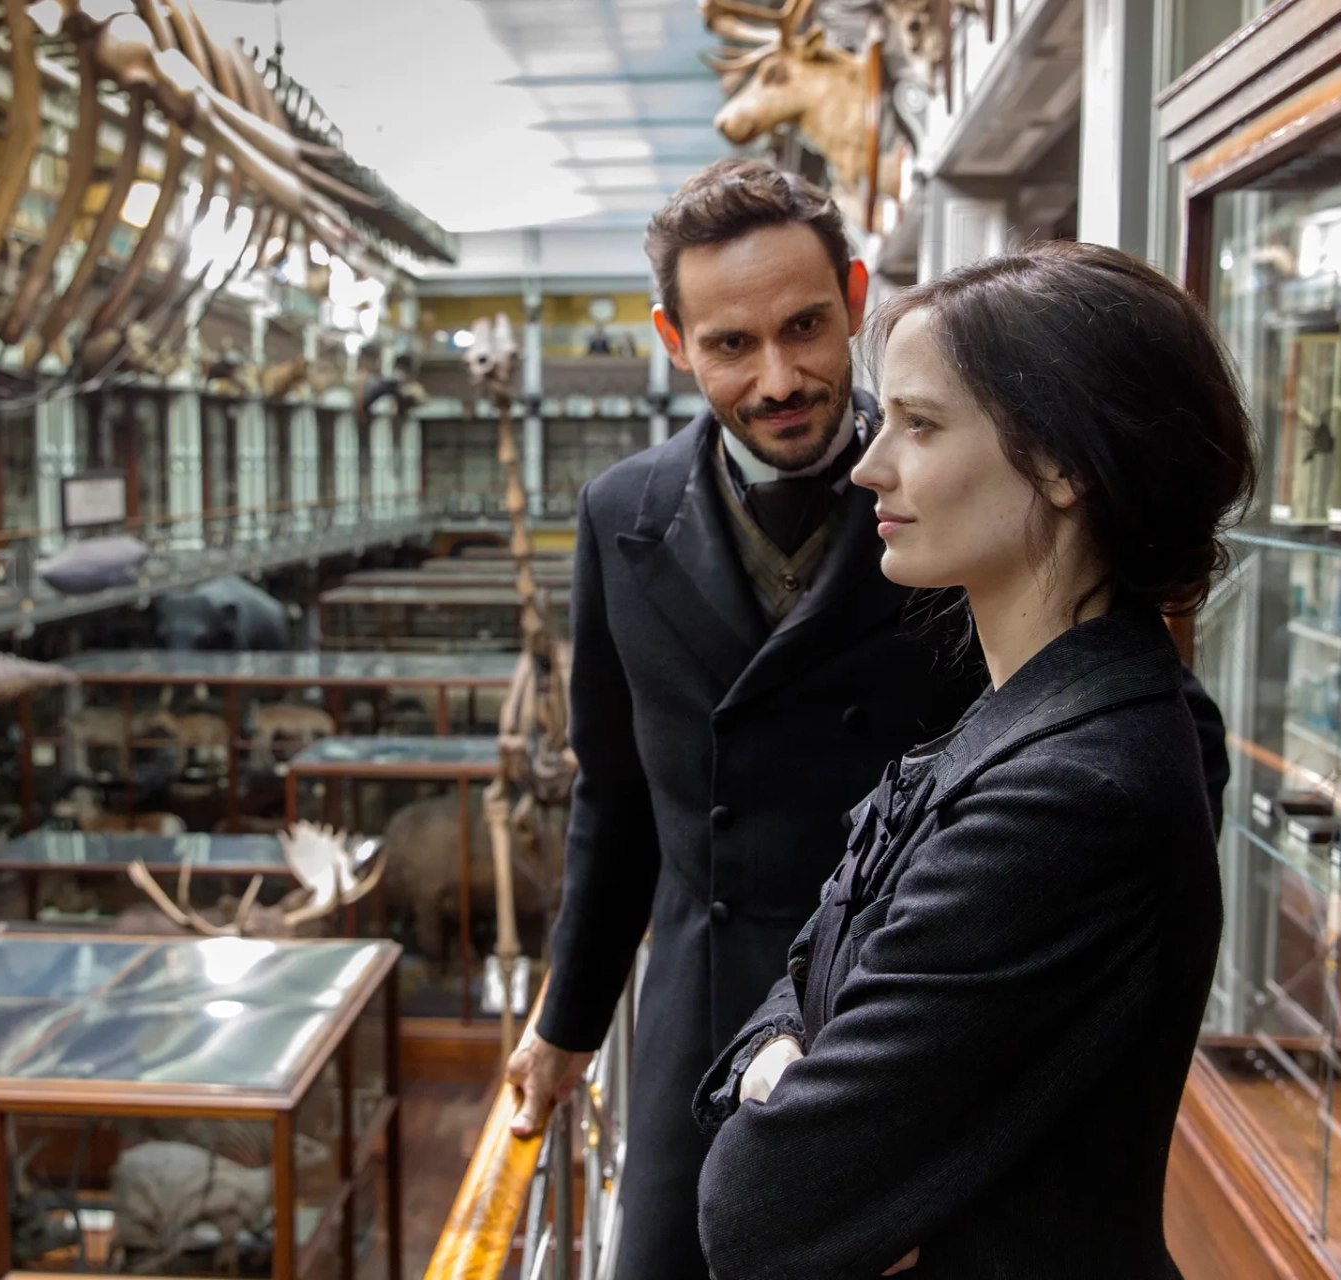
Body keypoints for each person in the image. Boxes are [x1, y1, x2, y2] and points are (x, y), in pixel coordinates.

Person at [506, 160, 1226, 1279]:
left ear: (850, 297)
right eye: (732, 343)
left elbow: (1015, 814)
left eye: (806, 327)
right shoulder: (620, 515)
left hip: (931, 1008)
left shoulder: (987, 546)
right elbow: (616, 794)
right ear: (674, 338)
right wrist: (568, 1018)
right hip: (717, 1004)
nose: (783, 376)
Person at [693, 242, 1258, 1279]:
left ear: (1062, 460)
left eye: (920, 424)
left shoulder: (1071, 791)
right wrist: (792, 1065)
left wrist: (788, 1084)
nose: (870, 464)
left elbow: (758, 1203)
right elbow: (797, 982)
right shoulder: (1020, 722)